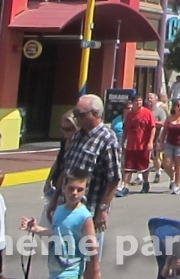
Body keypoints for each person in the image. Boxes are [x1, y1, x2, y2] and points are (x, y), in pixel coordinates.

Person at [49, 94, 120, 248]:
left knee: (88, 257)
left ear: (95, 114)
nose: (76, 118)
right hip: (65, 206)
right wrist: (54, 200)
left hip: (88, 211)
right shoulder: (77, 136)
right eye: (75, 113)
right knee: (63, 253)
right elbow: (66, 170)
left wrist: (103, 209)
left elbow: (113, 178)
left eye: (80, 114)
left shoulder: (108, 140)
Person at [22, 169, 99, 279]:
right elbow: (56, 234)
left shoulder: (84, 216)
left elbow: (92, 244)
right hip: (55, 272)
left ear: (85, 191)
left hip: (71, 271)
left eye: (79, 189)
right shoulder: (59, 210)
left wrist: (95, 272)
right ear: (64, 187)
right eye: (71, 188)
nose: (74, 193)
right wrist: (36, 229)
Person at [119, 92, 156, 195]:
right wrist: (123, 142)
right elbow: (126, 130)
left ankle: (145, 183)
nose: (139, 102)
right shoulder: (130, 115)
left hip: (143, 144)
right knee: (128, 167)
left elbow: (152, 127)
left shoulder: (147, 113)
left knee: (143, 167)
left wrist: (150, 142)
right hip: (131, 145)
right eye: (136, 101)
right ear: (133, 102)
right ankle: (125, 187)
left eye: (140, 100)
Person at [44, 112, 78, 202]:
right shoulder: (64, 141)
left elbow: (66, 169)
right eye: (63, 129)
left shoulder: (78, 145)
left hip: (68, 185)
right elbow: (58, 161)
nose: (65, 132)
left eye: (69, 129)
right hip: (56, 183)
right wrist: (48, 180)